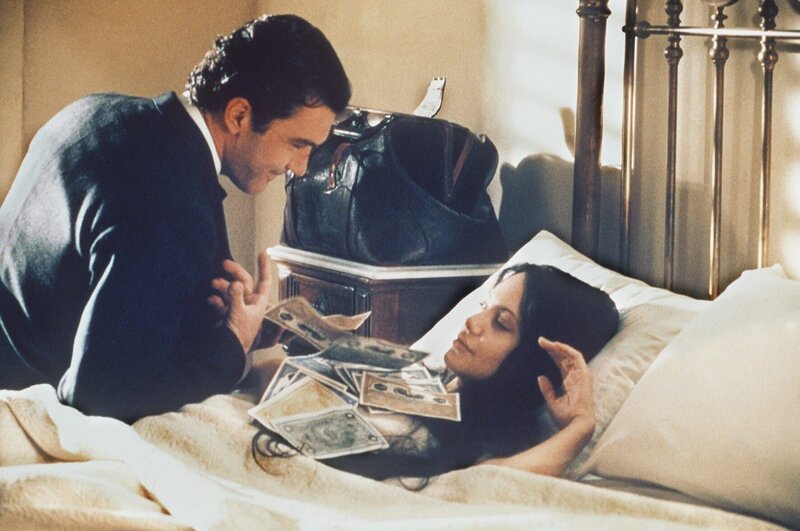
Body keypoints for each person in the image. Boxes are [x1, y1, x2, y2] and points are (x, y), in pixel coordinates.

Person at [0, 14, 351, 422]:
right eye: (298, 144)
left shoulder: (102, 111)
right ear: (239, 115)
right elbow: (98, 395)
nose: (301, 168)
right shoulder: (169, 197)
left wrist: (203, 318)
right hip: (20, 406)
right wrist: (232, 345)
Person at [252, 263, 620, 481]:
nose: (473, 322)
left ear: (531, 361)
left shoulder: (495, 439)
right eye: (484, 306)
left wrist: (580, 428)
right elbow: (271, 373)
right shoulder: (419, 380)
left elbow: (489, 486)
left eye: (501, 323)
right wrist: (249, 343)